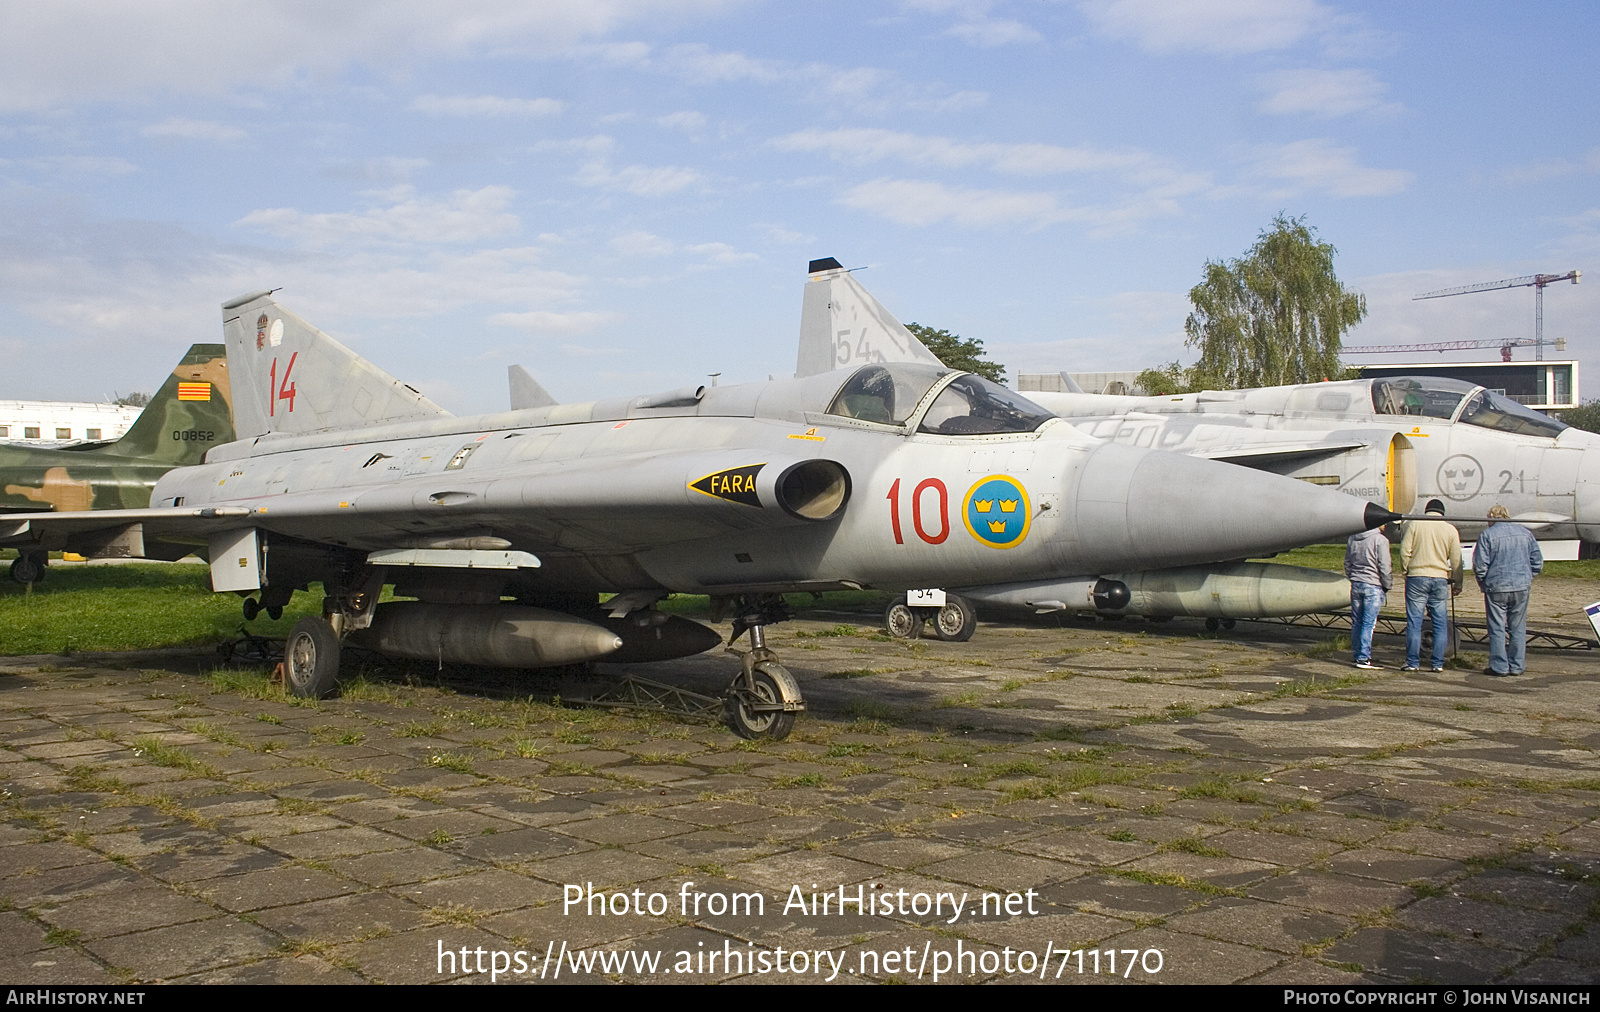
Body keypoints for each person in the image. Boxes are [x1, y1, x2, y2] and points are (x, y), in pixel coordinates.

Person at [1474, 504, 1543, 676]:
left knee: (1497, 627)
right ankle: (1517, 665)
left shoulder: (1487, 535)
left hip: (1496, 587)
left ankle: (1499, 666)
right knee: (1518, 627)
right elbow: (1537, 561)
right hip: (1521, 586)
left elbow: (1480, 565)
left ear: (1491, 516)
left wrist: (1483, 580)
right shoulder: (1525, 533)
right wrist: (1528, 576)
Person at [1400, 498, 1463, 672]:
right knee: (1440, 622)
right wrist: (1458, 582)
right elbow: (1456, 559)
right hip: (1439, 577)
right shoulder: (1450, 530)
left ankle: (1412, 662)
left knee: (1414, 622)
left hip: (1417, 576)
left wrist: (1406, 570)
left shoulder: (1415, 525)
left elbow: (1405, 551)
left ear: (1426, 511)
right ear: (1442, 513)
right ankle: (1437, 663)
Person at [1345, 524, 1392, 669]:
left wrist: (1352, 576)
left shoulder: (1353, 538)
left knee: (1357, 622)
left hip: (1357, 583)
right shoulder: (1380, 540)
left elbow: (1347, 562)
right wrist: (1387, 584)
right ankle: (1363, 657)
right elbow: (1384, 565)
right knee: (1368, 623)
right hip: (1373, 584)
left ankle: (1357, 654)